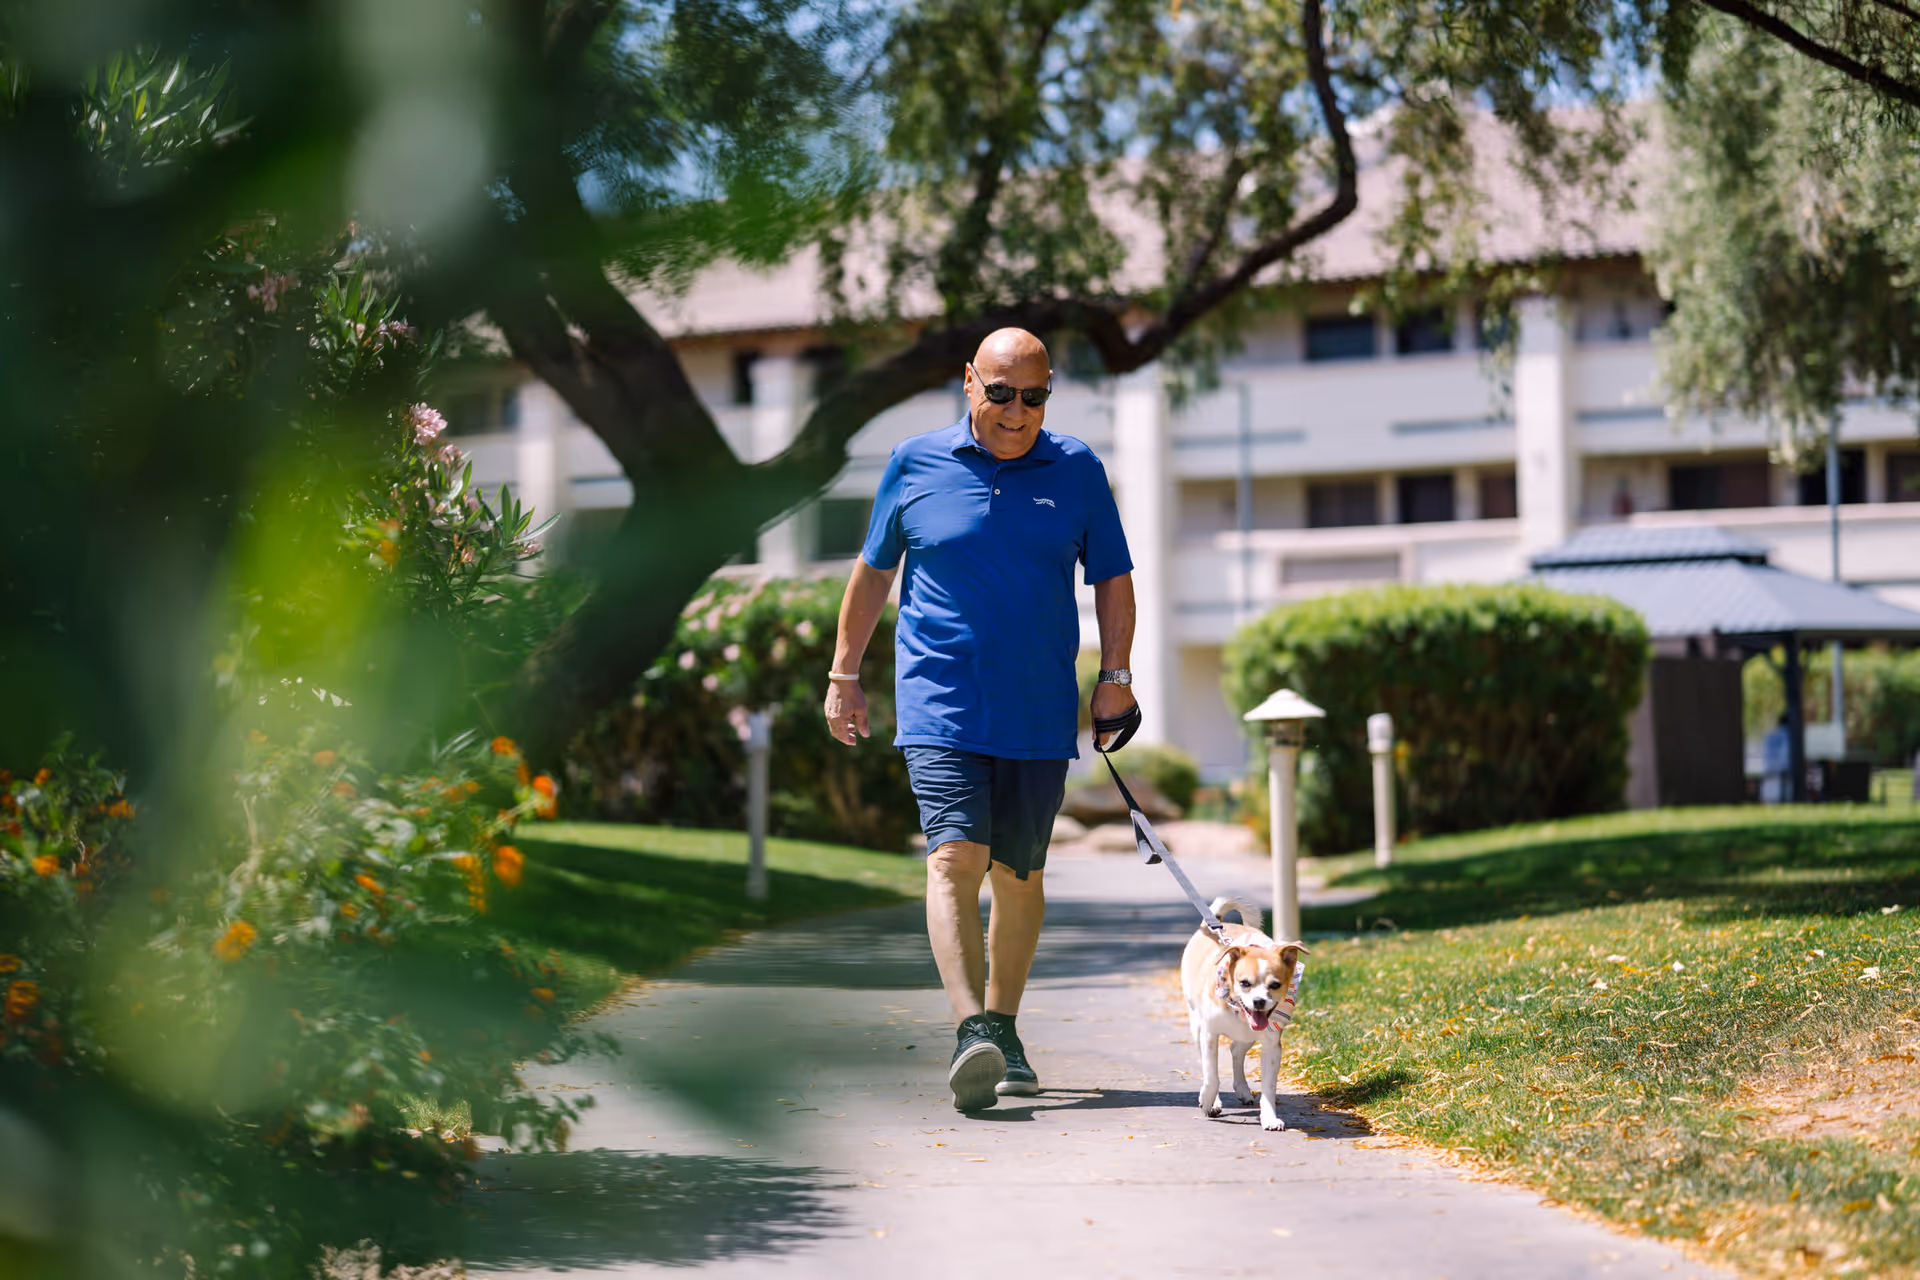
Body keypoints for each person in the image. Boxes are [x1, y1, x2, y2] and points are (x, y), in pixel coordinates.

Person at [823, 327, 1137, 1112]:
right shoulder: (915, 463)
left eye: (1034, 396)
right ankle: (972, 1032)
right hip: (940, 701)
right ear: (969, 384)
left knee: (1019, 874)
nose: (1016, 411)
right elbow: (871, 574)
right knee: (954, 859)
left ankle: (1004, 1023)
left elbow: (1113, 579)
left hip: (1035, 709)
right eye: (1000, 392)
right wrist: (843, 675)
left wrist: (1115, 679)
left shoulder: (1076, 471)